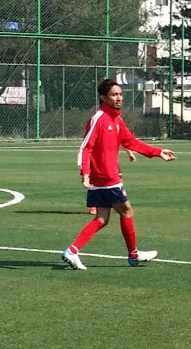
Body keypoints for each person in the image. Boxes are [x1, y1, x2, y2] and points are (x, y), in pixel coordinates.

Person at [64, 79, 175, 270]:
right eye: (114, 95)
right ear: (103, 97)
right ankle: (133, 255)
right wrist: (85, 172)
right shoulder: (99, 119)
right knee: (126, 211)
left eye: (121, 94)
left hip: (102, 178)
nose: (119, 98)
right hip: (107, 178)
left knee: (101, 219)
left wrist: (157, 152)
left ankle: (72, 251)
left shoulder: (117, 120)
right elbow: (85, 148)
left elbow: (131, 142)